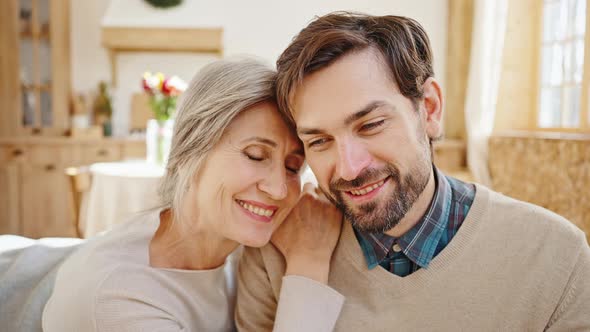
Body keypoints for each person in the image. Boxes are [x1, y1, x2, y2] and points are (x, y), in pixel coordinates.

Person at [236, 12, 590, 331]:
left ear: (430, 109)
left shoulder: (557, 258)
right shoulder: (275, 255)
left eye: (371, 124)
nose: (349, 168)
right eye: (319, 141)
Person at [42, 58, 344, 332]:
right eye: (254, 155)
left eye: (292, 167)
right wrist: (309, 263)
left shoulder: (246, 251)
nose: (278, 190)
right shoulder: (117, 300)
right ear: (191, 150)